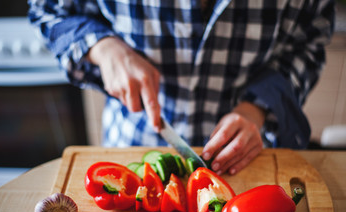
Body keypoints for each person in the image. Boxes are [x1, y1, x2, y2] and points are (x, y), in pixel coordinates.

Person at [28, 0, 335, 175]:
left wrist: (257, 107)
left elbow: (311, 40)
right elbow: (47, 10)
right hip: (132, 150)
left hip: (248, 158)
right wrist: (103, 47)